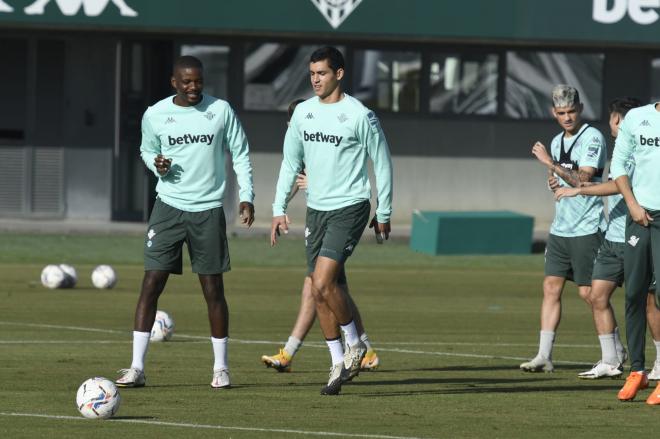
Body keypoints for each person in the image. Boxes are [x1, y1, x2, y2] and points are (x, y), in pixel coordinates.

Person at [115, 55, 255, 389]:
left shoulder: (220, 111)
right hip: (168, 208)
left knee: (213, 289)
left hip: (207, 210)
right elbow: (147, 151)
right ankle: (136, 368)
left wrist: (246, 196)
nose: (194, 88)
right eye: (187, 82)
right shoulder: (156, 114)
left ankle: (220, 368)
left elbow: (241, 153)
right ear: (174, 82)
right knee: (151, 283)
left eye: (198, 82)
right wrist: (157, 164)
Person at [270, 46, 393, 395]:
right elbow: (289, 163)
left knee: (323, 282)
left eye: (322, 73)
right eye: (312, 74)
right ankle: (337, 363)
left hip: (351, 206)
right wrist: (279, 208)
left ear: (339, 74)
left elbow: (381, 163)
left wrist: (383, 211)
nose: (315, 79)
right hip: (317, 210)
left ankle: (355, 345)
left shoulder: (360, 115)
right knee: (320, 289)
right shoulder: (303, 114)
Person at [261, 99, 380, 374]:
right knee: (333, 289)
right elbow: (294, 176)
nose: (294, 127)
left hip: (339, 217)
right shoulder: (301, 142)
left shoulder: (327, 136)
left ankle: (291, 353)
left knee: (316, 287)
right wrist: (281, 208)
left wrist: (316, 184)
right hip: (320, 222)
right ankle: (366, 350)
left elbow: (338, 174)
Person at [555, 98, 660, 380]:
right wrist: (582, 186)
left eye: (614, 119)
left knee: (648, 301)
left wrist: (581, 190)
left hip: (638, 232)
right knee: (595, 294)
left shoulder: (639, 148)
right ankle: (612, 359)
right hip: (613, 237)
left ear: (618, 120)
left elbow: (617, 185)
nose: (613, 124)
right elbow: (609, 183)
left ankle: (659, 361)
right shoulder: (621, 151)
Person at [521, 84, 607, 373]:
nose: (567, 117)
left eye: (571, 111)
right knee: (550, 287)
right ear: (553, 112)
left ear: (580, 108)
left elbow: (583, 179)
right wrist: (552, 179)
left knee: (589, 294)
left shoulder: (592, 137)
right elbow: (559, 176)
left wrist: (550, 164)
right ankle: (544, 356)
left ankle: (613, 352)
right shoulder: (556, 140)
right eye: (561, 112)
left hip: (587, 226)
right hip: (561, 228)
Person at [610, 97, 660, 404]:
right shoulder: (636, 118)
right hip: (638, 215)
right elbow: (618, 164)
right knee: (633, 293)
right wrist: (632, 204)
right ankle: (637, 371)